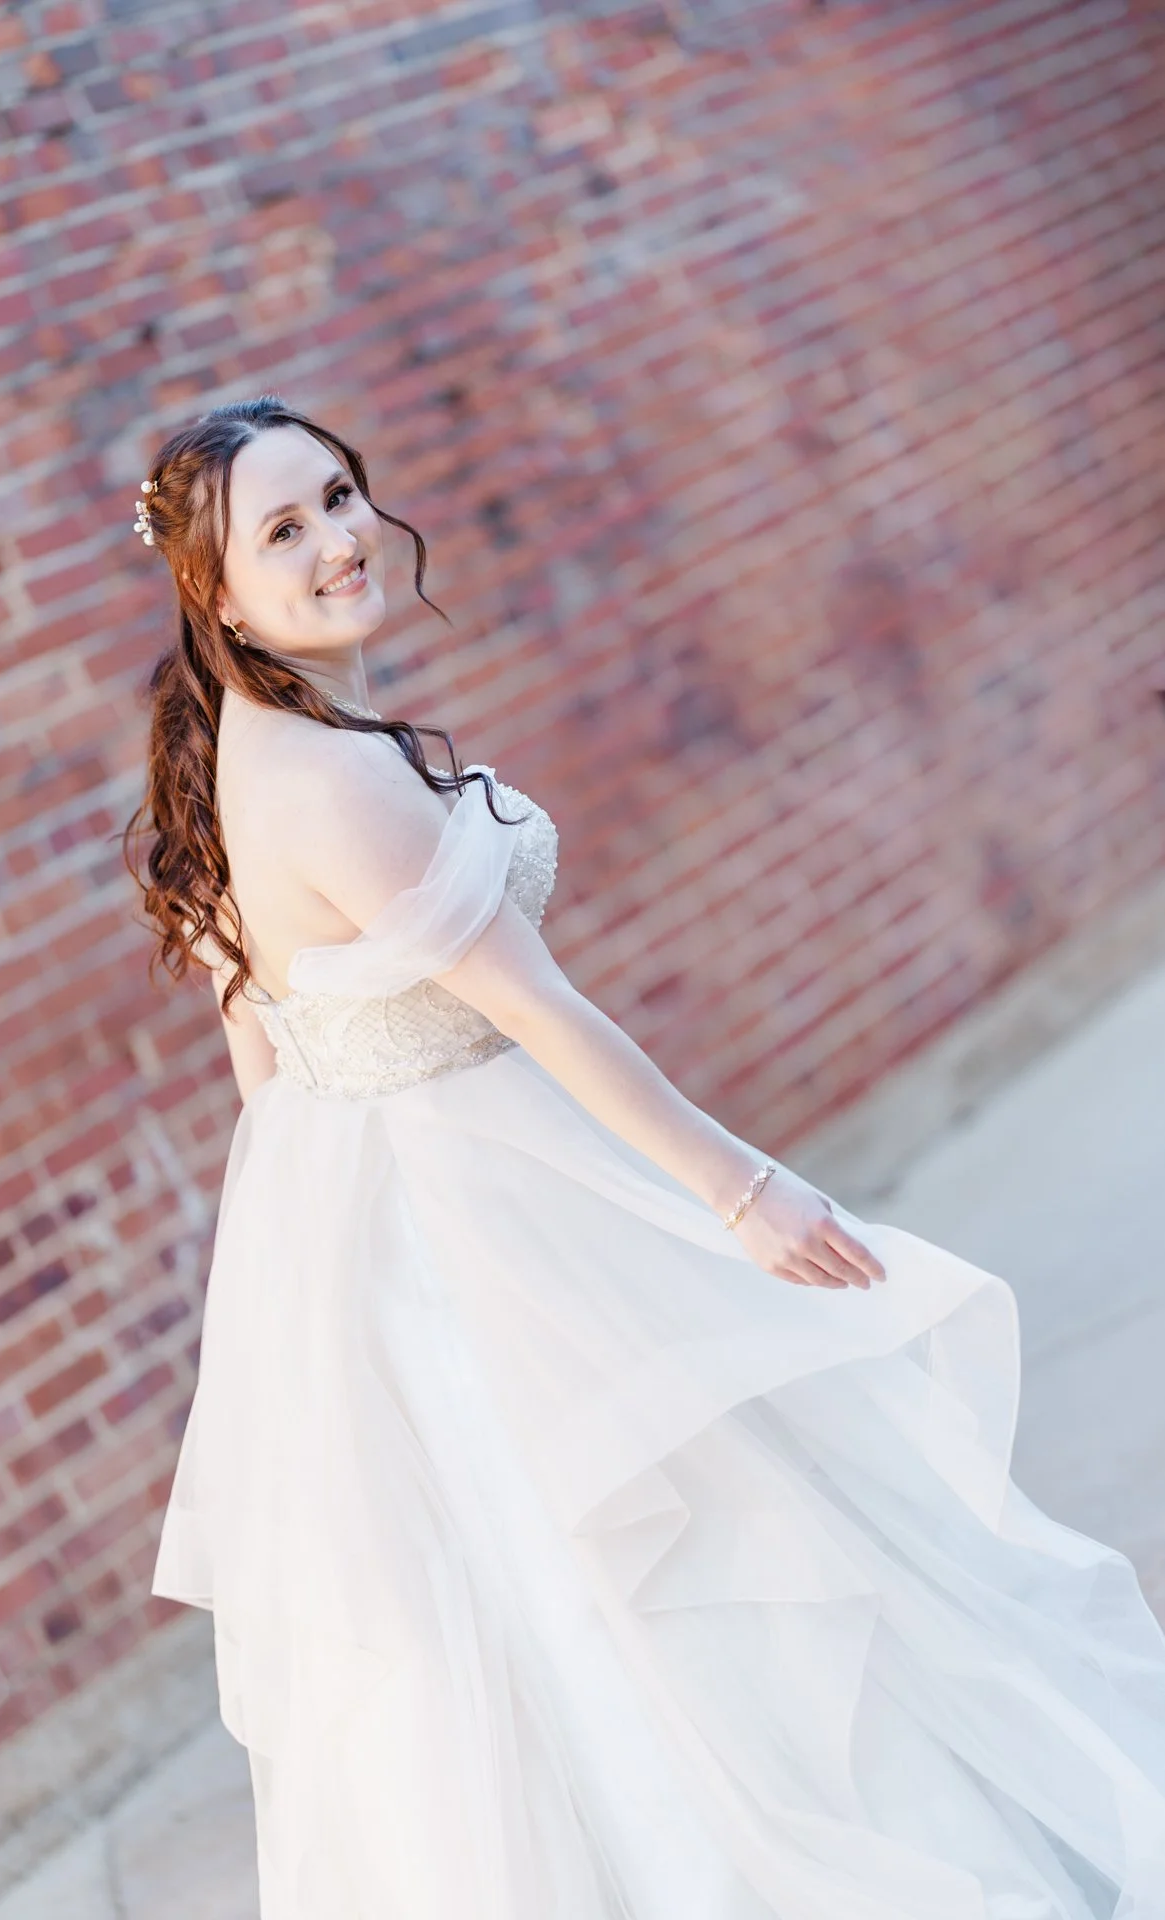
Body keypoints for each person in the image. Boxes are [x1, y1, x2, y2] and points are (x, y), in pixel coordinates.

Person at [124, 394, 1165, 1920]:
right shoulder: (332, 778)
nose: (342, 539)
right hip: (476, 1225)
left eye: (341, 497)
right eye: (284, 530)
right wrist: (745, 1192)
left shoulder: (240, 762)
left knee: (557, 1607)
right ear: (215, 589)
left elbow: (262, 1064)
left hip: (386, 1224)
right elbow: (543, 1016)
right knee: (660, 1581)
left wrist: (319, 1299)